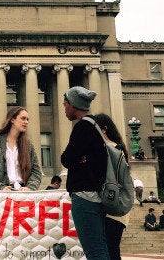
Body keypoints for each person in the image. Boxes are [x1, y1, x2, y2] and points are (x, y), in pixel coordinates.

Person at [60, 86, 109, 259]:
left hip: (84, 195)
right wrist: (80, 158)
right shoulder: (95, 125)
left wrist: (76, 159)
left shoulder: (82, 127)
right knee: (100, 247)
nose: (64, 108)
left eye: (65, 104)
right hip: (96, 194)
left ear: (73, 105)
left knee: (94, 250)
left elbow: (66, 158)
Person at [94, 113, 130, 260]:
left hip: (112, 205)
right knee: (111, 248)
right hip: (117, 205)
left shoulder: (111, 149)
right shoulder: (117, 148)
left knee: (110, 249)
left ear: (104, 129)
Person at [0, 106, 42, 191]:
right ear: (12, 120)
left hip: (23, 193)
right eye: (23, 118)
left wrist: (30, 187)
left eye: (27, 119)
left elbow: (36, 171)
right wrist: (0, 187)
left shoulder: (28, 144)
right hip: (2, 193)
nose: (26, 122)